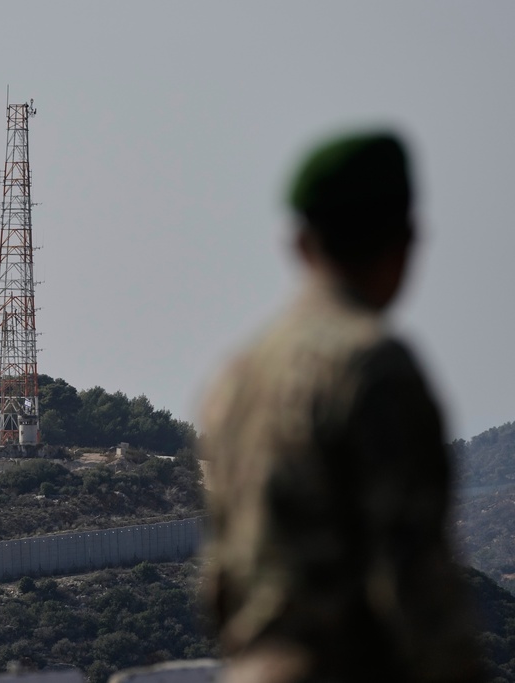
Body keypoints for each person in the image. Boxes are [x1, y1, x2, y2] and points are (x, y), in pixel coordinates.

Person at [200, 131, 483, 682]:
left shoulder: (237, 377)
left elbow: (222, 585)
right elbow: (416, 586)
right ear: (404, 243)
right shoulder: (373, 367)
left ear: (302, 244)